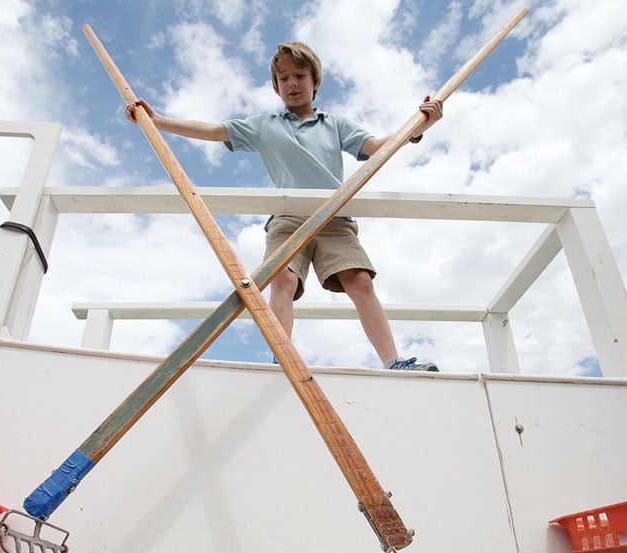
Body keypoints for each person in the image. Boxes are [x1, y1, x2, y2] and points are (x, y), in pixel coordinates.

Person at [126, 40, 443, 371]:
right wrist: (159, 121)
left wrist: (418, 127)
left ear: (315, 83)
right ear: (276, 88)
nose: (292, 84)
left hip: (333, 217)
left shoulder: (335, 124)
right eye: (284, 78)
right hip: (288, 218)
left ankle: (393, 361)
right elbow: (215, 130)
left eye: (300, 76)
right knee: (283, 279)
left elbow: (377, 147)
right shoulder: (266, 125)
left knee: (360, 279)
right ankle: (283, 360)